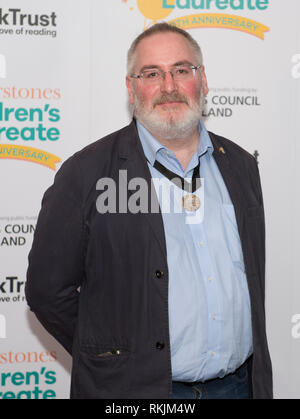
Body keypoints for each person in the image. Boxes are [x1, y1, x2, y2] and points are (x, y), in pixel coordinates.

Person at [26, 23, 273, 399]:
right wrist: (111, 356)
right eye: (152, 73)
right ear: (131, 87)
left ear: (202, 80)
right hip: (137, 392)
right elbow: (48, 292)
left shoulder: (240, 165)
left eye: (181, 70)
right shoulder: (88, 173)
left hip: (238, 386)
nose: (169, 86)